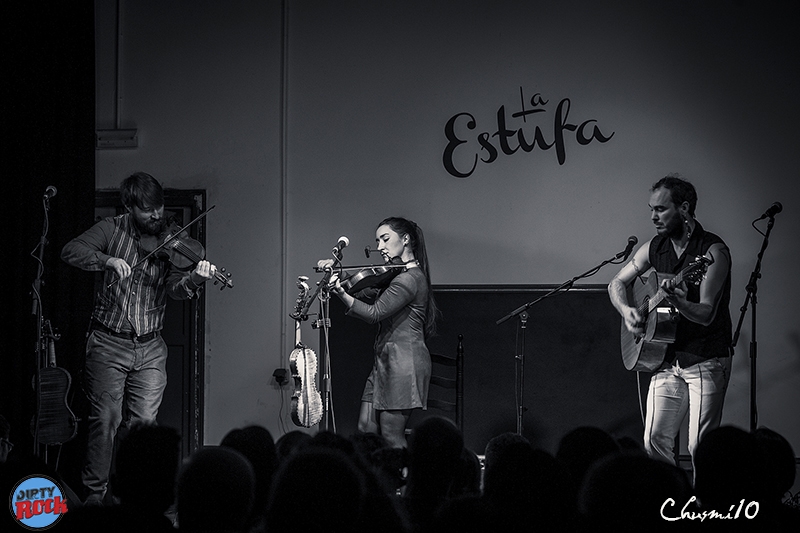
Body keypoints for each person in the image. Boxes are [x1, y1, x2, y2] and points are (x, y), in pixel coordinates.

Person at [61, 172, 216, 505]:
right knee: (105, 420)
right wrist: (107, 260)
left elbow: (176, 290)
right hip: (107, 344)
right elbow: (71, 251)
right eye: (147, 210)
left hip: (150, 347)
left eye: (158, 207)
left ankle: (137, 498)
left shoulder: (175, 240)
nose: (156, 215)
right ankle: (94, 495)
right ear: (130, 206)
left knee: (144, 425)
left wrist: (194, 279)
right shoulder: (111, 229)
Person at [608, 175, 732, 469]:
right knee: (654, 439)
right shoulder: (655, 247)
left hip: (705, 356)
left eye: (661, 209)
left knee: (700, 447)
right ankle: (668, 503)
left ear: (685, 208)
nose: (653, 216)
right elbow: (616, 282)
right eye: (651, 209)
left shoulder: (713, 252)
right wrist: (627, 312)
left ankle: (703, 510)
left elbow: (705, 313)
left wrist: (677, 301)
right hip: (664, 358)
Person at [323, 217, 438, 448]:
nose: (379, 247)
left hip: (404, 362)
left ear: (406, 240)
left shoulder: (410, 278)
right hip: (385, 361)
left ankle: (405, 482)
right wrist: (338, 277)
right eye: (377, 241)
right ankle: (378, 480)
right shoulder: (396, 275)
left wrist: (341, 293)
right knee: (366, 429)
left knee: (391, 435)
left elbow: (375, 313)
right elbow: (365, 292)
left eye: (385, 239)